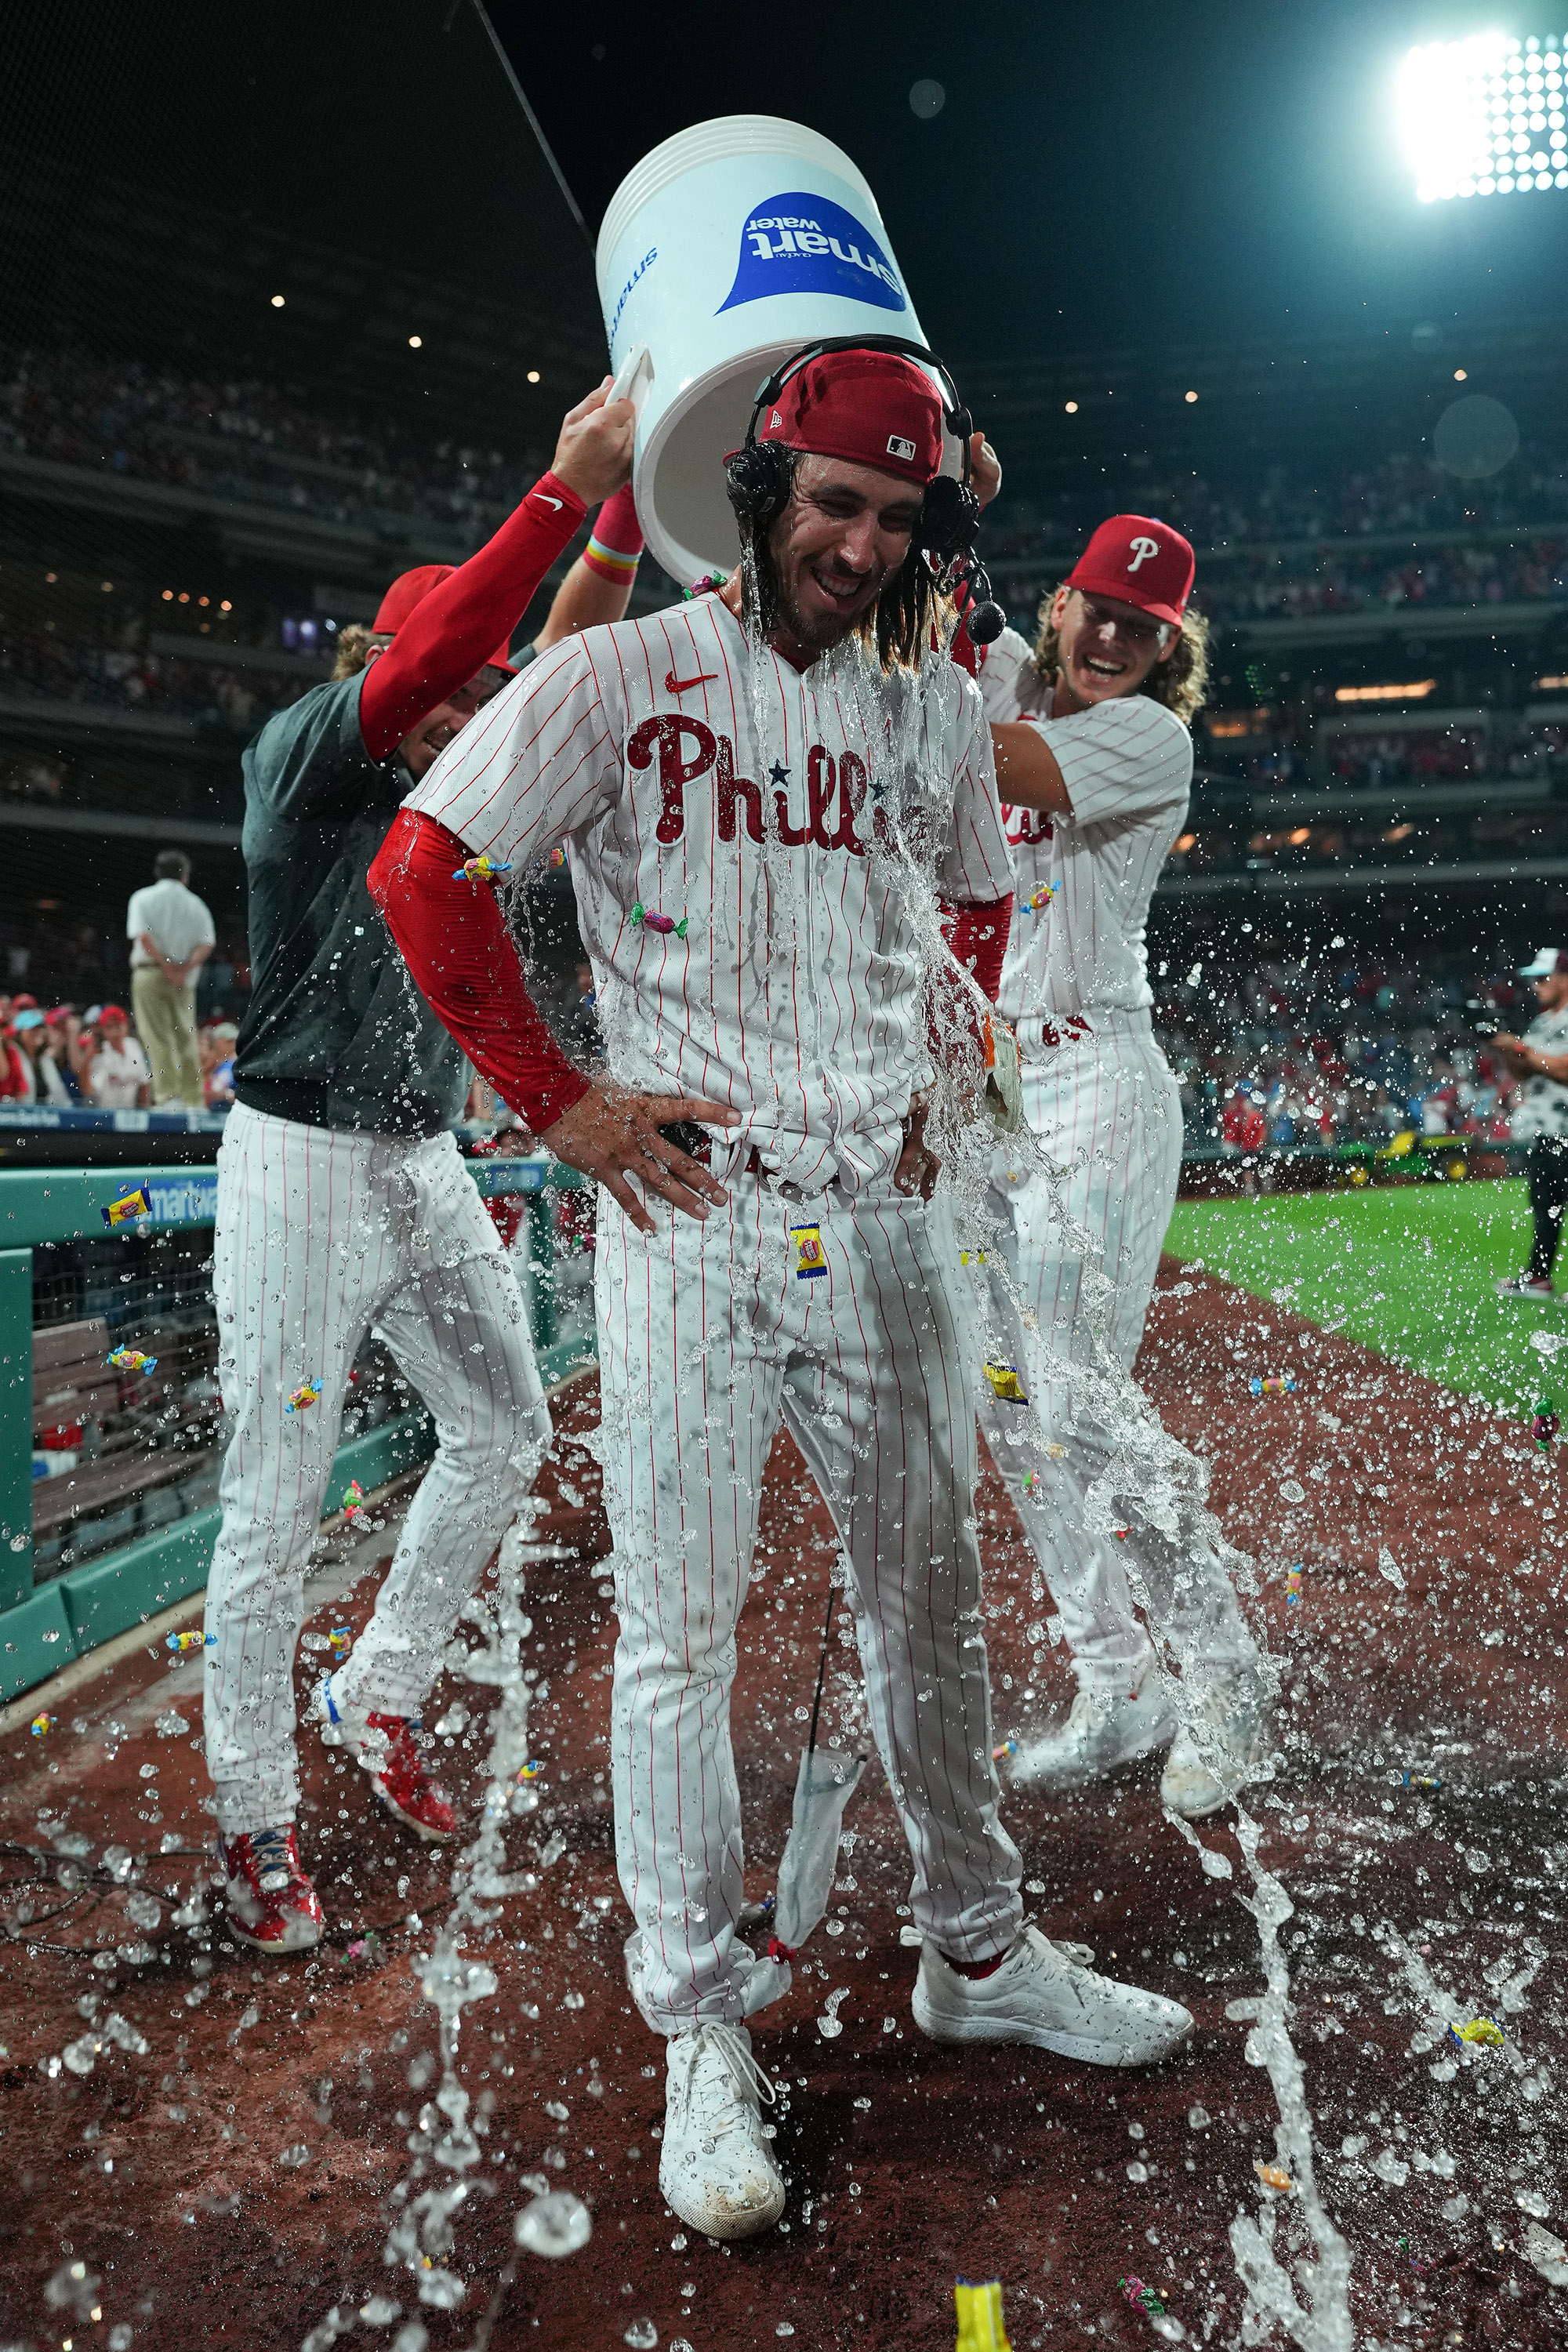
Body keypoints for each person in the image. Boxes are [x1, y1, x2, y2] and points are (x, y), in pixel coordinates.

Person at [373, 346, 1195, 2246]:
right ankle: (696, 2023)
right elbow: (429, 868)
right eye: (833, 503)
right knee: (678, 1631)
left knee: (938, 1604)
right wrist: (561, 1105)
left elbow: (978, 880)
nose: (860, 543)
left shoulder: (918, 700)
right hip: (686, 1215)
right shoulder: (614, 672)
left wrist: (943, 1065)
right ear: (759, 495)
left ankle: (975, 1949)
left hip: (882, 1219)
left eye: (897, 519)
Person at [201, 375, 655, 1958]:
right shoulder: (304, 756)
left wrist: (625, 512)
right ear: (389, 676)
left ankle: (375, 1690)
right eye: (445, 692)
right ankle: (250, 1825)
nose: (473, 718)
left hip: (418, 1159)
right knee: (273, 1504)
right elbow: (469, 649)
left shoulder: (473, 790)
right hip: (296, 1163)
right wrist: (560, 489)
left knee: (506, 1421)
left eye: (480, 704)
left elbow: (561, 659)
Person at [957, 513, 1268, 1817]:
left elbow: (983, 761)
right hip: (982, 1087)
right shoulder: (1014, 664)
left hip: (1096, 1076)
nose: (1113, 638)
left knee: (1077, 1393)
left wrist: (941, 659)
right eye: (1096, 608)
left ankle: (1225, 1675)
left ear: (1168, 648)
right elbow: (950, 618)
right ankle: (1117, 1676)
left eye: (1143, 628)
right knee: (1007, 1407)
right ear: (1066, 600)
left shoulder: (1150, 737)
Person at [1493, 946, 1568, 1298]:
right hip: (1548, 1130)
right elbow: (1524, 1073)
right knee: (1544, 1204)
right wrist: (1501, 1047)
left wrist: (1521, 1049)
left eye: (1543, 978)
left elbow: (1564, 1069)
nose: (1536, 986)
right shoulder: (1542, 1021)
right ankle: (1539, 1277)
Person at [126, 848, 216, 1109]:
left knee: (157, 1036)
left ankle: (168, 1098)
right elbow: (207, 943)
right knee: (186, 1035)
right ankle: (193, 1099)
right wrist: (184, 968)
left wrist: (166, 967)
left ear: (157, 872)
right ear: (185, 876)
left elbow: (143, 935)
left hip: (150, 972)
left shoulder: (142, 898)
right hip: (184, 979)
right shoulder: (197, 905)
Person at [84, 1004, 151, 1108]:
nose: (115, 1032)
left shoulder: (133, 1046)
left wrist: (145, 1112)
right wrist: (88, 1058)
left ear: (126, 1026)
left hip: (130, 1115)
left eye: (118, 1026)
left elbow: (144, 1084)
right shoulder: (100, 1052)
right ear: (103, 1030)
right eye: (109, 1027)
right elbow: (88, 1090)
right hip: (105, 1115)